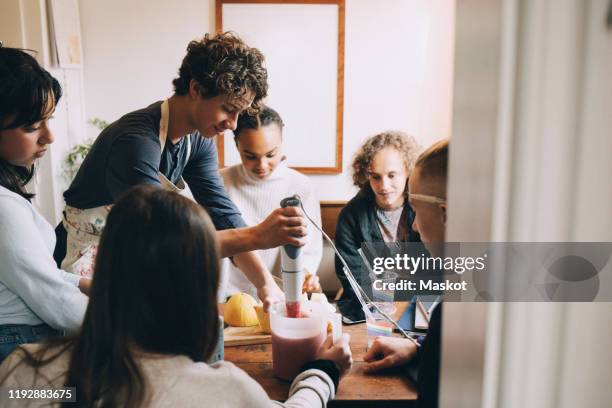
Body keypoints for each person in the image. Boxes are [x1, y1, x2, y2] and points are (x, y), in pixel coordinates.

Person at [0, 185, 353, 407]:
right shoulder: (223, 392)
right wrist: (321, 372)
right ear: (198, 289)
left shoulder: (25, 374)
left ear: (105, 270)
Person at [57, 32, 304, 309]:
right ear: (196, 89)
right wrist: (258, 235)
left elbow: (223, 214)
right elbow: (159, 237)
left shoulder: (197, 140)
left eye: (240, 113)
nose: (233, 125)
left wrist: (265, 284)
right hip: (88, 267)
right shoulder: (134, 141)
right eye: (228, 109)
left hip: (134, 258)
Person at [0, 46, 90, 362]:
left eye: (48, 120)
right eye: (32, 126)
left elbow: (36, 274)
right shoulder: (3, 209)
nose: (48, 137)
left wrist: (83, 283)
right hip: (16, 347)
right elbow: (52, 298)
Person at [363, 139, 449, 408]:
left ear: (444, 212)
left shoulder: (454, 312)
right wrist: (417, 350)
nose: (413, 223)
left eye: (416, 210)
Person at [220, 106, 322, 299]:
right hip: (229, 299)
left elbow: (310, 249)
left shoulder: (301, 185)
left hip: (281, 298)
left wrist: (306, 274)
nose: (262, 165)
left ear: (281, 142)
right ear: (237, 145)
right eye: (250, 156)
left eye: (270, 154)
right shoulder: (219, 183)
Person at [334, 131, 422, 322]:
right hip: (366, 311)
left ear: (408, 171)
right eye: (375, 177)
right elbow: (351, 275)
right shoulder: (350, 215)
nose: (384, 185)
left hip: (417, 309)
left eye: (392, 175)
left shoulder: (423, 211)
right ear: (366, 175)